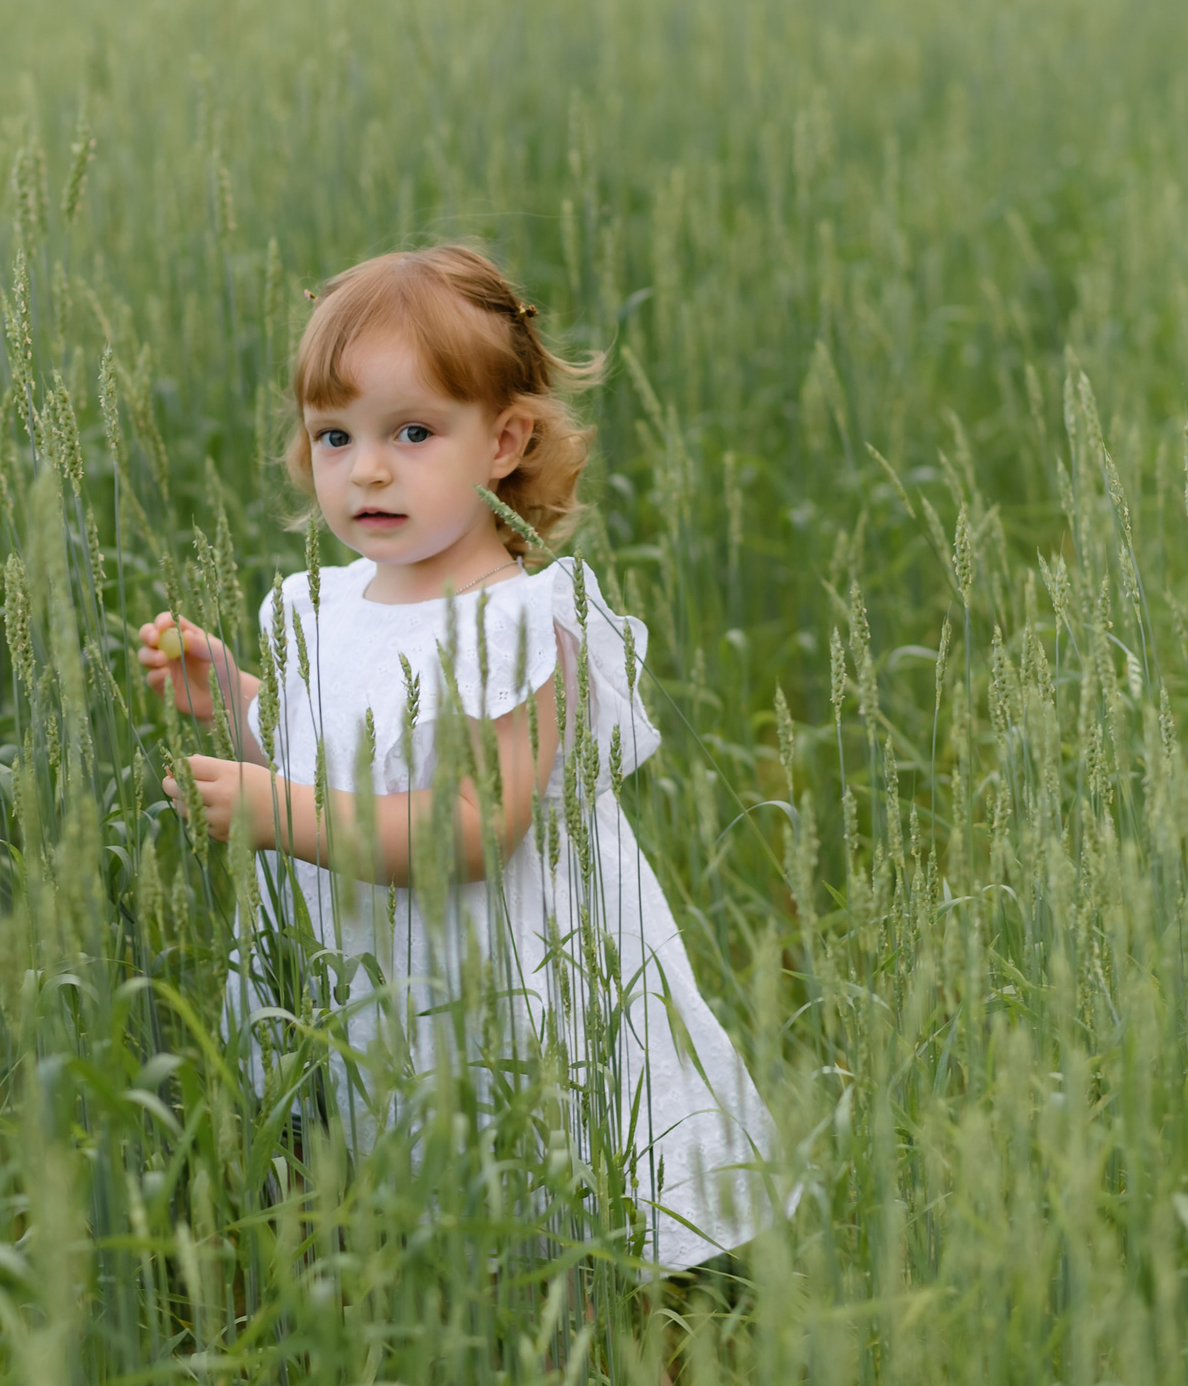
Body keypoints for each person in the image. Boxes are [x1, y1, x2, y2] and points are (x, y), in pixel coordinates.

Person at [133, 242, 776, 1274]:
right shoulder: (316, 603)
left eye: (413, 431)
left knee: (534, 1215)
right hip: (367, 980)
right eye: (334, 434)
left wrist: (278, 814)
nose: (368, 467)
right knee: (377, 1207)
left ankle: (579, 1317)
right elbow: (332, 742)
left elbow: (478, 826)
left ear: (504, 440)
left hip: (496, 984)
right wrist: (237, 703)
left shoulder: (526, 626)